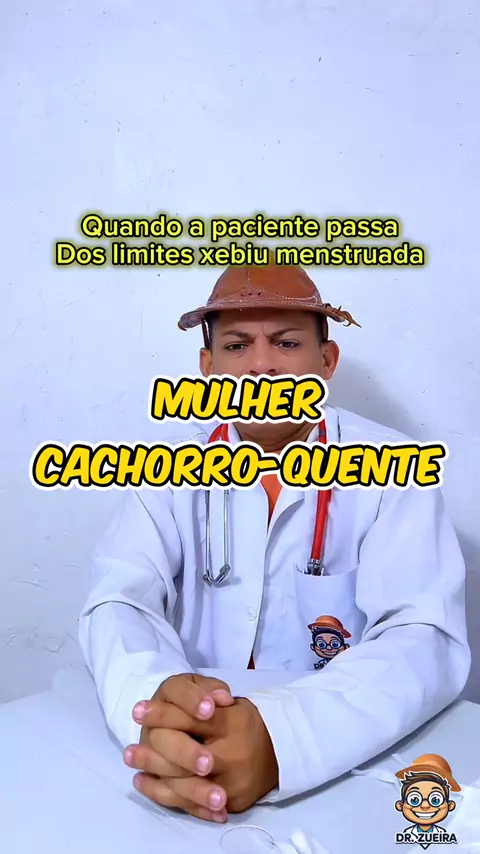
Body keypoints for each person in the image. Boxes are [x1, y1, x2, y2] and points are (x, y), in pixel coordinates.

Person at [78, 259, 470, 825]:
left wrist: (285, 738)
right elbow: (119, 599)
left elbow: (424, 633)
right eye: (236, 346)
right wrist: (160, 709)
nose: (261, 365)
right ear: (207, 367)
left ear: (326, 362)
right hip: (186, 756)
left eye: (286, 343)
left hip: (337, 763)